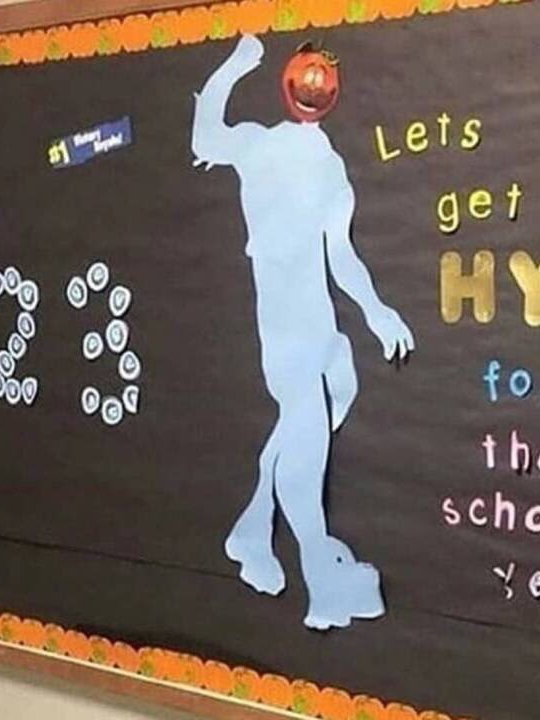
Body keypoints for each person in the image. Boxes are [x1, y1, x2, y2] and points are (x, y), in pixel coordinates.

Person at [191, 35, 415, 630]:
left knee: (336, 391)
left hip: (318, 323)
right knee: (306, 441)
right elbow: (204, 137)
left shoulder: (327, 165)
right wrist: (234, 65)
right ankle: (319, 575)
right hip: (286, 325)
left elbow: (341, 253)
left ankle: (252, 532)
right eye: (309, 81)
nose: (315, 91)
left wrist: (376, 312)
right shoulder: (259, 147)